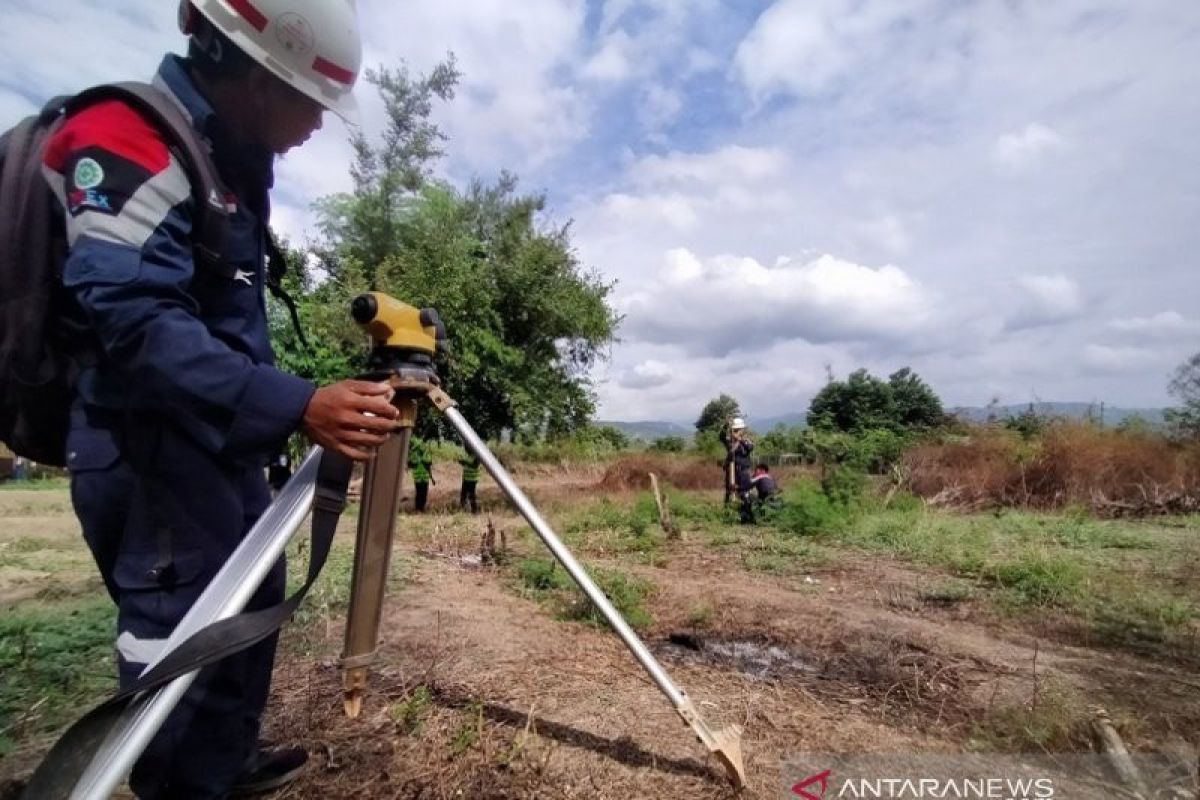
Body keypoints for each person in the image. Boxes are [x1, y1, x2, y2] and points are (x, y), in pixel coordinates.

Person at [47, 3, 400, 797]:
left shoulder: (225, 166)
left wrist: (274, 413)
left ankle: (225, 765)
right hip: (147, 456)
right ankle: (182, 783)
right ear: (255, 74)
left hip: (220, 443)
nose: (316, 122)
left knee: (247, 605)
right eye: (310, 99)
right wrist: (299, 404)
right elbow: (135, 326)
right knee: (179, 641)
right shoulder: (128, 138)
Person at [719, 417, 754, 512]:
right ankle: (728, 511)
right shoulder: (729, 441)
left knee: (744, 491)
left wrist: (739, 439)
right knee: (729, 490)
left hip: (743, 470)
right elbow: (721, 436)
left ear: (742, 430)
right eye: (735, 430)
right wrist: (726, 425)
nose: (736, 431)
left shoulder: (746, 440)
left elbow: (750, 448)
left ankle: (745, 511)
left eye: (738, 430)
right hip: (731, 469)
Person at [408, 437, 434, 512]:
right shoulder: (414, 455)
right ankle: (417, 508)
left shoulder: (426, 454)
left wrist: (431, 478)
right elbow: (410, 464)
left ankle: (422, 508)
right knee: (419, 494)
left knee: (424, 494)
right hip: (417, 478)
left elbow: (429, 464)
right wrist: (416, 461)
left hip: (425, 478)